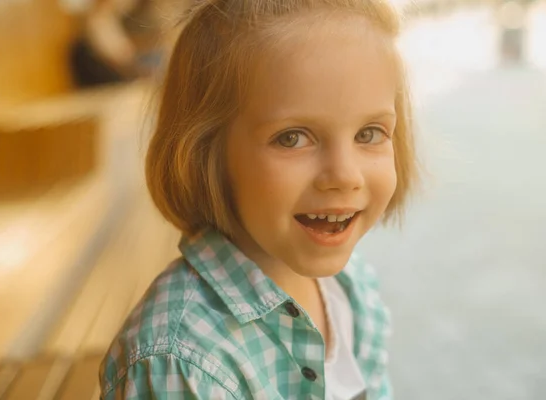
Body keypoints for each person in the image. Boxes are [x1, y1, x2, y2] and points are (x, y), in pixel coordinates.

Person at [99, 0, 418, 398]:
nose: (345, 176)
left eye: (369, 134)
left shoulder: (353, 289)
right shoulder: (181, 364)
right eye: (293, 137)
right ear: (206, 153)